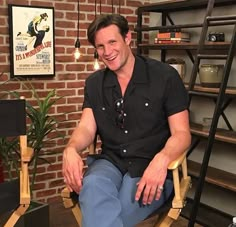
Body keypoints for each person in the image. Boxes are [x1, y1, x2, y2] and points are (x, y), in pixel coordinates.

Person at [62, 14, 191, 227]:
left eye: (112, 42)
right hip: (110, 162)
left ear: (127, 38)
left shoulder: (165, 77)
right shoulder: (94, 83)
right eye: (100, 46)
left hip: (151, 167)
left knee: (107, 211)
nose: (107, 52)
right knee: (93, 184)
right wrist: (71, 149)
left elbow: (182, 134)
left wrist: (162, 160)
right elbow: (86, 126)